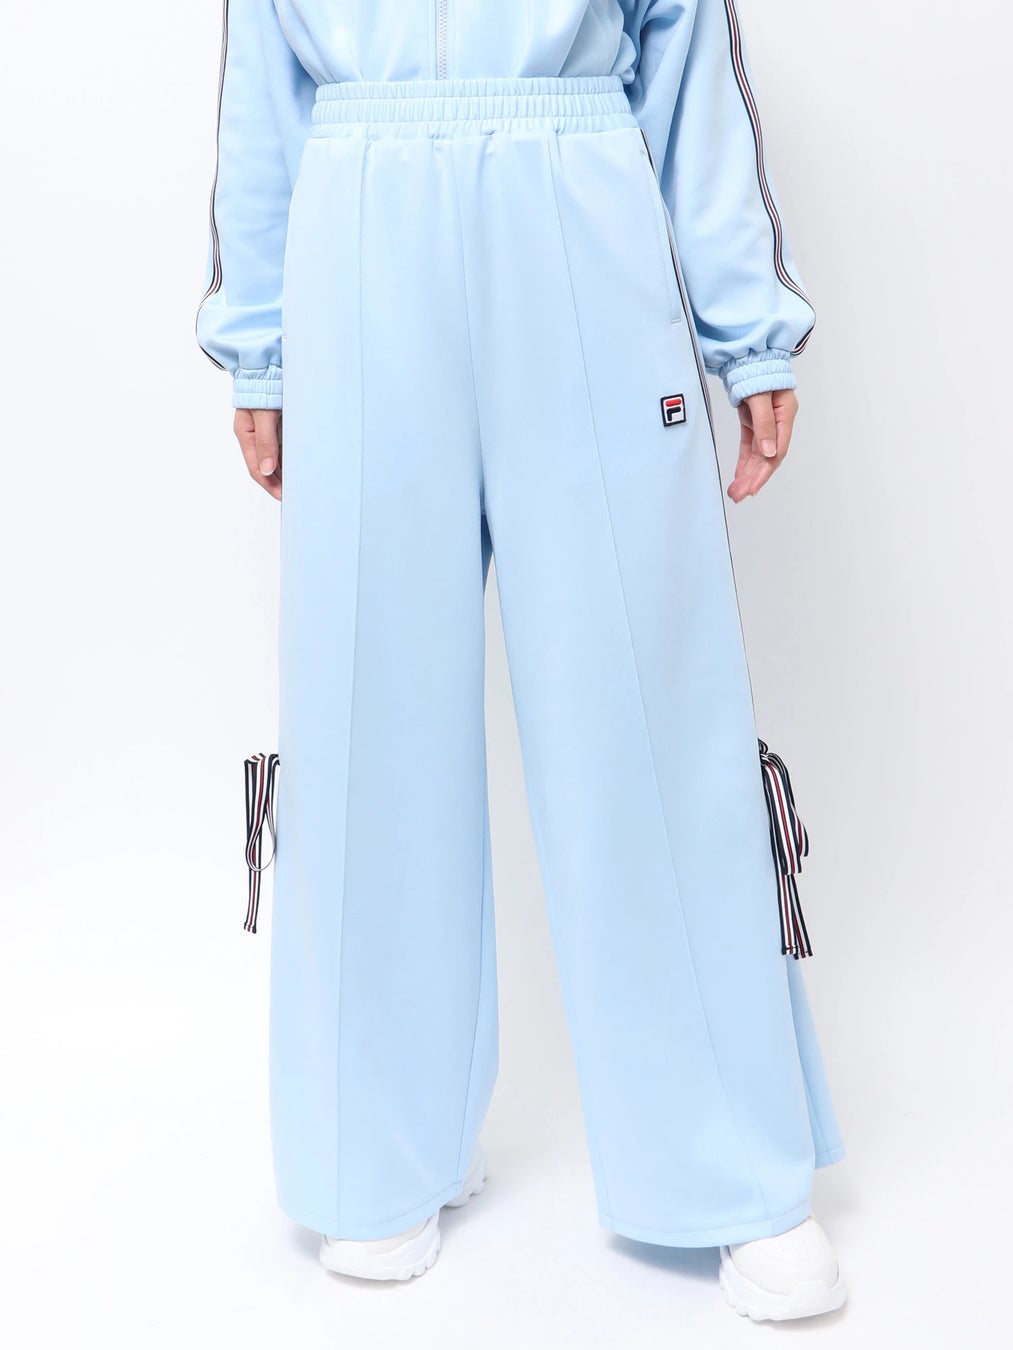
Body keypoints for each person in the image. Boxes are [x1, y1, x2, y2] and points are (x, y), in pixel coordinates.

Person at [195, 0, 848, 1323]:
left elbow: (687, 58)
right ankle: (374, 1154)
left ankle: (727, 1161)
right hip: (361, 213)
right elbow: (262, 78)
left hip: (577, 191)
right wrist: (256, 347)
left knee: (646, 697)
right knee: (366, 700)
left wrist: (748, 323)